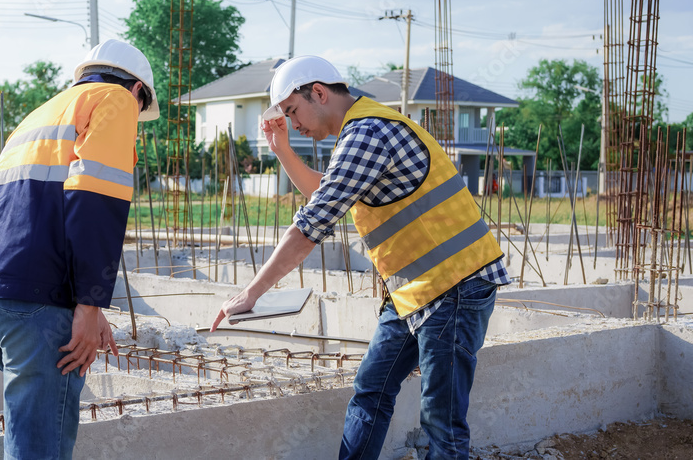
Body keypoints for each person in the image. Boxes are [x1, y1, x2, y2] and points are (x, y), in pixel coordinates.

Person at [211, 56, 510, 459]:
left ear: (319, 93)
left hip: (454, 285)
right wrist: (282, 151)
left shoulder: (367, 132)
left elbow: (311, 224)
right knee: (371, 389)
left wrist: (251, 293)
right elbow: (329, 191)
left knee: (442, 422)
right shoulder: (363, 128)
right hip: (414, 292)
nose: (294, 124)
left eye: (293, 111)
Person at [0, 39, 158, 459]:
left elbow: (22, 213)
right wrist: (89, 303)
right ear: (138, 90)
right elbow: (94, 203)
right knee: (40, 449)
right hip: (34, 303)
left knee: (28, 438)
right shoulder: (116, 100)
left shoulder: (45, 112)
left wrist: (83, 302)